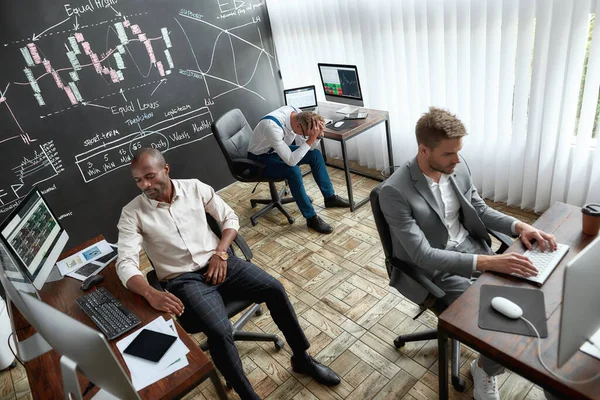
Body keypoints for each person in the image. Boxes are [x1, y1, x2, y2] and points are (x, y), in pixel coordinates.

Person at [116, 148, 341, 400]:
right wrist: (150, 293)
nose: (144, 185)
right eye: (138, 180)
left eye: (150, 176)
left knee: (275, 288)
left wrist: (222, 252)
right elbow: (125, 263)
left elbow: (230, 218)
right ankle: (248, 395)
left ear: (166, 170)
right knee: (219, 329)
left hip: (220, 260)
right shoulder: (132, 213)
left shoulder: (195, 188)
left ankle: (302, 357)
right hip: (183, 279)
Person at [379, 107, 558, 400]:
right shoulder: (394, 192)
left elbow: (481, 210)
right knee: (507, 326)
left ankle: (486, 362)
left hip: (472, 248)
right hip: (436, 271)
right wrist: (492, 262)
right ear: (424, 150)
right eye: (449, 154)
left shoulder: (457, 168)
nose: (458, 160)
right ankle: (485, 370)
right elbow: (423, 255)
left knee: (536, 299)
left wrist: (520, 226)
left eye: (459, 151)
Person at [247, 106, 350, 234]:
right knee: (293, 171)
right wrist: (311, 139)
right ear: (297, 125)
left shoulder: (297, 113)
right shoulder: (272, 127)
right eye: (304, 134)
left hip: (276, 151)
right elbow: (291, 161)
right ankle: (311, 217)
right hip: (259, 160)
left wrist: (317, 137)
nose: (304, 136)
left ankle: (330, 198)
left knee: (315, 156)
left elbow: (309, 149)